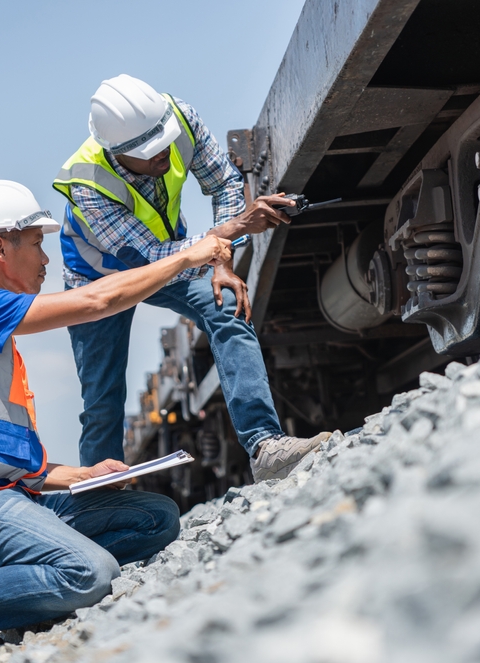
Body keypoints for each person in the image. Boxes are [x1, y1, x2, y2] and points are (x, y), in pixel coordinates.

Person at [0, 180, 232, 663]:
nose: (46, 259)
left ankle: (10, 589)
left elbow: (8, 463)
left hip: (4, 499)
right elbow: (95, 304)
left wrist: (83, 475)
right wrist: (186, 257)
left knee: (157, 518)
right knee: (90, 572)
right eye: (36, 244)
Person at [53, 74, 330, 481]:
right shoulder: (87, 183)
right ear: (115, 152)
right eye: (148, 154)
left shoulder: (179, 118)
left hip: (174, 252)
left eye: (162, 142)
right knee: (102, 398)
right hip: (97, 280)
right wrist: (233, 230)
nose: (162, 155)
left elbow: (224, 186)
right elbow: (149, 260)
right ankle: (101, 497)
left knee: (227, 304)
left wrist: (222, 262)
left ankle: (265, 446)